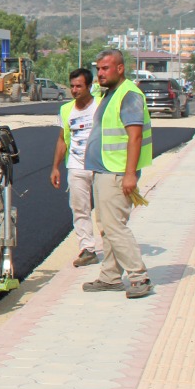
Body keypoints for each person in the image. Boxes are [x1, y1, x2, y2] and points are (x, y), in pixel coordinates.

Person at [81, 48, 154, 298]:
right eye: (98, 69)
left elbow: (134, 136)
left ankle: (138, 276)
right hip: (104, 170)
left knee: (115, 227)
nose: (100, 73)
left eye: (105, 68)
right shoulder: (109, 94)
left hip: (117, 173)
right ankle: (110, 277)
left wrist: (130, 174)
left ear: (120, 69)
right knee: (108, 227)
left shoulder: (129, 95)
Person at [50, 67, 100, 267]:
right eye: (72, 86)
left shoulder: (100, 106)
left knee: (105, 210)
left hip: (100, 166)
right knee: (79, 209)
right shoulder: (66, 109)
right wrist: (55, 167)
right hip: (76, 166)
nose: (75, 90)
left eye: (79, 86)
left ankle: (113, 248)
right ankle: (87, 249)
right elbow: (62, 139)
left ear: (89, 86)